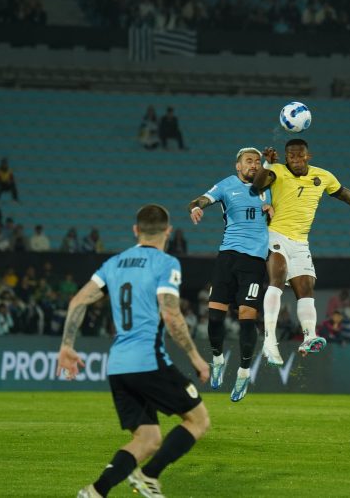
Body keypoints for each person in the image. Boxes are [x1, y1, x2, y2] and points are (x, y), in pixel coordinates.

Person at [56, 204, 210, 498]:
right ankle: (149, 476)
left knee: (148, 438)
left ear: (135, 231)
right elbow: (171, 315)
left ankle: (95, 491)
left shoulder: (114, 263)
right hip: (148, 362)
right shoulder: (166, 264)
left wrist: (66, 346)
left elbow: (77, 301)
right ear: (169, 231)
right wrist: (195, 358)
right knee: (199, 420)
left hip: (118, 367)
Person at [253, 139, 350, 365]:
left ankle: (309, 336)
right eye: (291, 156)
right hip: (275, 235)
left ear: (308, 156)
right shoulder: (276, 171)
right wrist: (266, 165)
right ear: (286, 157)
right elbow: (257, 186)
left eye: (300, 156)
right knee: (277, 280)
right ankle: (270, 343)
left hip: (300, 242)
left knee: (306, 289)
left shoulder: (324, 177)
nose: (296, 160)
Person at [186, 147, 272, 402]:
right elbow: (199, 199)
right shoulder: (226, 185)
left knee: (247, 317)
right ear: (238, 165)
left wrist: (272, 209)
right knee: (214, 317)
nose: (254, 165)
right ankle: (217, 359)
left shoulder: (269, 186)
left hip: (254, 261)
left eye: (257, 161)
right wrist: (195, 208)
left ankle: (244, 373)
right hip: (227, 257)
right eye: (249, 161)